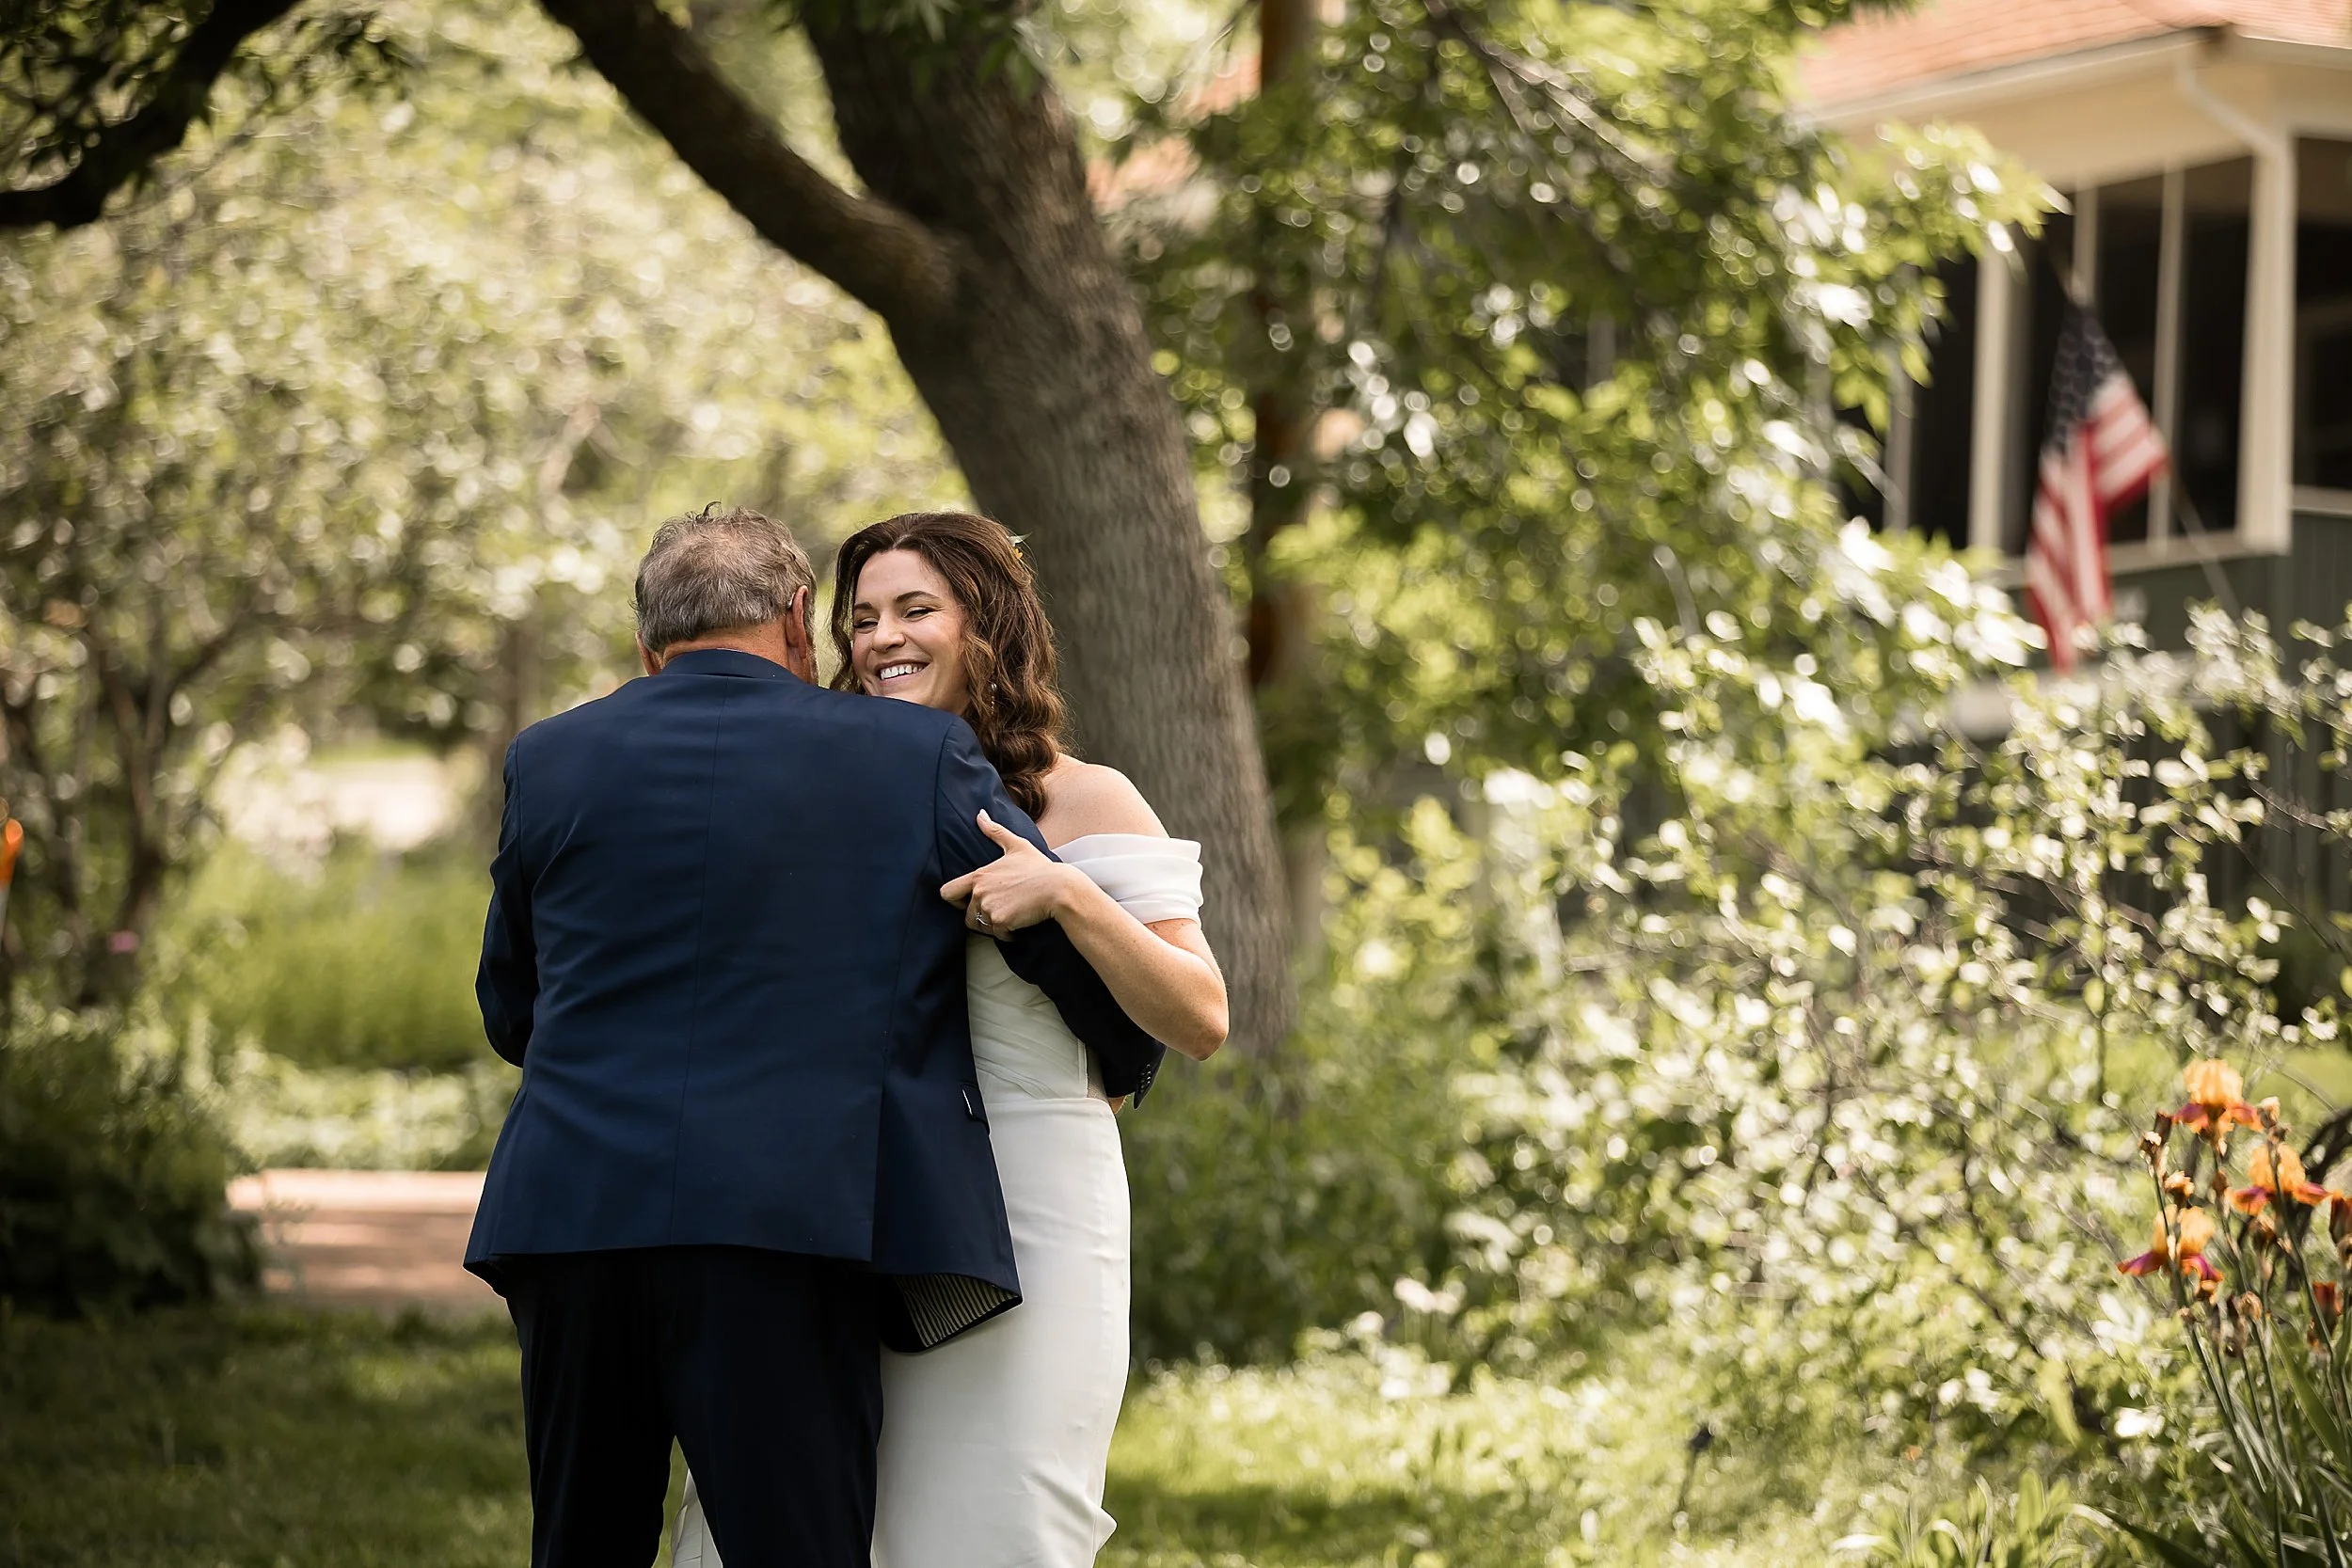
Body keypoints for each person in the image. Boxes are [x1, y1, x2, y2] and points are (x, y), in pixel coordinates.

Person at [465, 505, 1160, 1568]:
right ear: (800, 621)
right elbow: (1050, 936)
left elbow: (512, 1006)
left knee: (582, 1541)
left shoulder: (549, 758)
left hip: (572, 1220)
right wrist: (1124, 1054)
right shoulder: (913, 754)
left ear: (649, 643)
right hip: (785, 1227)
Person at [674, 511, 1229, 1568]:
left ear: (989, 624)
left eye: (915, 609)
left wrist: (1067, 894)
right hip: (837, 1203)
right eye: (863, 616)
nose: (882, 637)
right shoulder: (821, 792)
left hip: (1033, 1205)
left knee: (999, 1515)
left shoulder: (1083, 795)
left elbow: (1198, 1015)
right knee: (797, 1517)